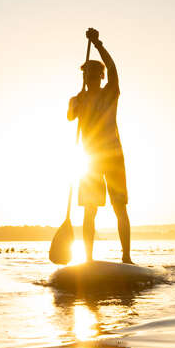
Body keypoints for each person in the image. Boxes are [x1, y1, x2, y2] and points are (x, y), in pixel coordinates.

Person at [67, 27, 132, 263]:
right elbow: (70, 116)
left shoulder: (110, 92)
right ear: (84, 78)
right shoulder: (78, 99)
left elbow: (113, 68)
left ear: (101, 77)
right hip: (90, 160)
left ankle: (126, 257)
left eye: (95, 75)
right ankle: (88, 260)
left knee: (119, 207)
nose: (92, 79)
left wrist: (98, 44)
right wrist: (76, 101)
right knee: (89, 210)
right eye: (88, 76)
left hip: (113, 157)